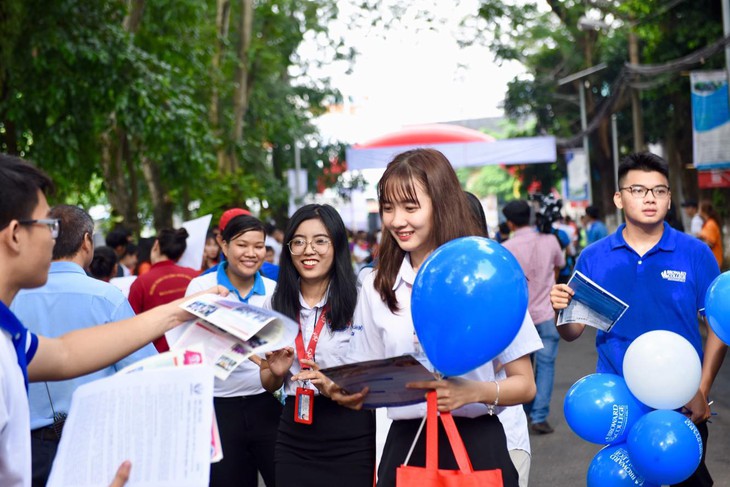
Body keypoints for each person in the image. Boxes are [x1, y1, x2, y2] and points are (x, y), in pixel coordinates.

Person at [297, 149, 542, 487]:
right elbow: (366, 374)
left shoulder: (488, 276)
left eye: (410, 207)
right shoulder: (375, 285)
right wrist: (342, 389)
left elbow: (525, 384)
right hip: (405, 448)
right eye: (388, 208)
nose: (397, 220)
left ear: (441, 204)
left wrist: (471, 392)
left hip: (476, 445)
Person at [0, 154, 225, 487]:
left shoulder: (9, 334)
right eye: (47, 225)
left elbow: (65, 353)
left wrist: (182, 310)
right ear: (16, 234)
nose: (54, 238)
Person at [550, 152, 725, 486]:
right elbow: (573, 332)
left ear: (669, 199)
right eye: (638, 190)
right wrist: (561, 308)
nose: (649, 198)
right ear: (619, 197)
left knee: (687, 477)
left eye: (659, 191)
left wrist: (702, 388)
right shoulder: (594, 257)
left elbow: (717, 325)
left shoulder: (695, 253)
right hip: (620, 402)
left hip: (682, 401)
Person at [10, 205, 158, 487]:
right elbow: (143, 370)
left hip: (28, 449)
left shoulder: (14, 298)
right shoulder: (107, 298)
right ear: (87, 241)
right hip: (95, 441)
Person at [259, 204, 375, 487]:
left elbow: (373, 375)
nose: (308, 250)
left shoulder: (361, 301)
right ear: (289, 249)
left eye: (320, 241)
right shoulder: (274, 304)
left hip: (351, 431)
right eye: (298, 242)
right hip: (294, 433)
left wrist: (334, 386)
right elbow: (268, 383)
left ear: (337, 246)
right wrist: (274, 371)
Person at [174, 214, 279, 487]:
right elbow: (185, 345)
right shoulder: (201, 288)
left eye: (259, 246)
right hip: (218, 408)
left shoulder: (273, 290)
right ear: (224, 245)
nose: (251, 253)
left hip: (265, 403)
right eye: (242, 245)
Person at [466, 193, 533, 487]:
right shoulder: (412, 288)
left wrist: (469, 391)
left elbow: (524, 381)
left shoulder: (499, 285)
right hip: (435, 441)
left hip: (503, 435)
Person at [501, 200, 565, 437]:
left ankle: (525, 409)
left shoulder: (506, 247)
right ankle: (539, 416)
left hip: (519, 319)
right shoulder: (550, 240)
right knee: (546, 366)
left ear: (509, 222)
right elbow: (559, 266)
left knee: (521, 367)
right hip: (547, 312)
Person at [128, 228, 199, 352]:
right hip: (194, 352)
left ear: (156, 245)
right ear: (181, 253)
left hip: (156, 356)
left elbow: (130, 326)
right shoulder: (195, 276)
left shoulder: (141, 283)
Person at [698, 199, 724, 269]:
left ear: (703, 210)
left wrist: (697, 242)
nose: (698, 210)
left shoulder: (710, 224)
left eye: (699, 208)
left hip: (714, 260)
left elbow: (710, 243)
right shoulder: (708, 223)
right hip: (712, 260)